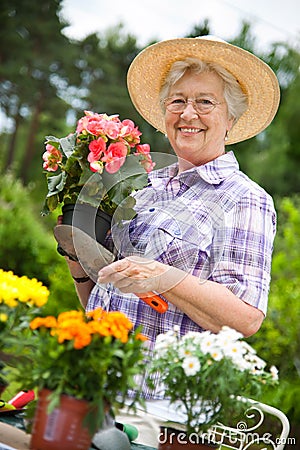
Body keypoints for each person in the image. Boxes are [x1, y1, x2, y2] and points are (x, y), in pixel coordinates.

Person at [63, 36, 280, 447]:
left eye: (205, 102)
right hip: (95, 389)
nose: (188, 114)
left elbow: (245, 319)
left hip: (164, 416)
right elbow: (108, 300)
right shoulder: (142, 187)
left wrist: (163, 277)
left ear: (231, 119)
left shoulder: (244, 199)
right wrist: (78, 260)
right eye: (177, 101)